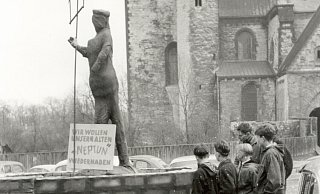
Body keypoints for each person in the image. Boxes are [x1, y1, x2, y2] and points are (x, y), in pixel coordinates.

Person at [68, 10, 130, 166]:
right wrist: (76, 45)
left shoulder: (106, 34)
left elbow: (105, 51)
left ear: (102, 21)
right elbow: (89, 52)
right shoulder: (95, 39)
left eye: (96, 20)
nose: (94, 23)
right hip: (99, 91)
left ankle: (125, 160)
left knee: (117, 123)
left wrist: (96, 67)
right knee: (99, 126)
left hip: (108, 86)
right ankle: (100, 163)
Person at [255, 123, 286, 194]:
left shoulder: (270, 154)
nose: (257, 141)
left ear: (262, 138)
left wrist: (265, 192)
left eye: (257, 138)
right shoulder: (272, 151)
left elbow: (275, 181)